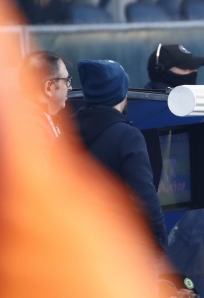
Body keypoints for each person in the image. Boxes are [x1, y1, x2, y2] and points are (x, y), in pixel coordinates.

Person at [75, 59, 168, 253]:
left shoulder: (65, 131)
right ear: (121, 92)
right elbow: (145, 199)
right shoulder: (127, 136)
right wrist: (159, 244)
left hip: (79, 248)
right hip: (121, 252)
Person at [19, 50, 72, 147]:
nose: (70, 87)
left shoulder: (32, 117)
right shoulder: (32, 131)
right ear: (48, 87)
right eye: (66, 81)